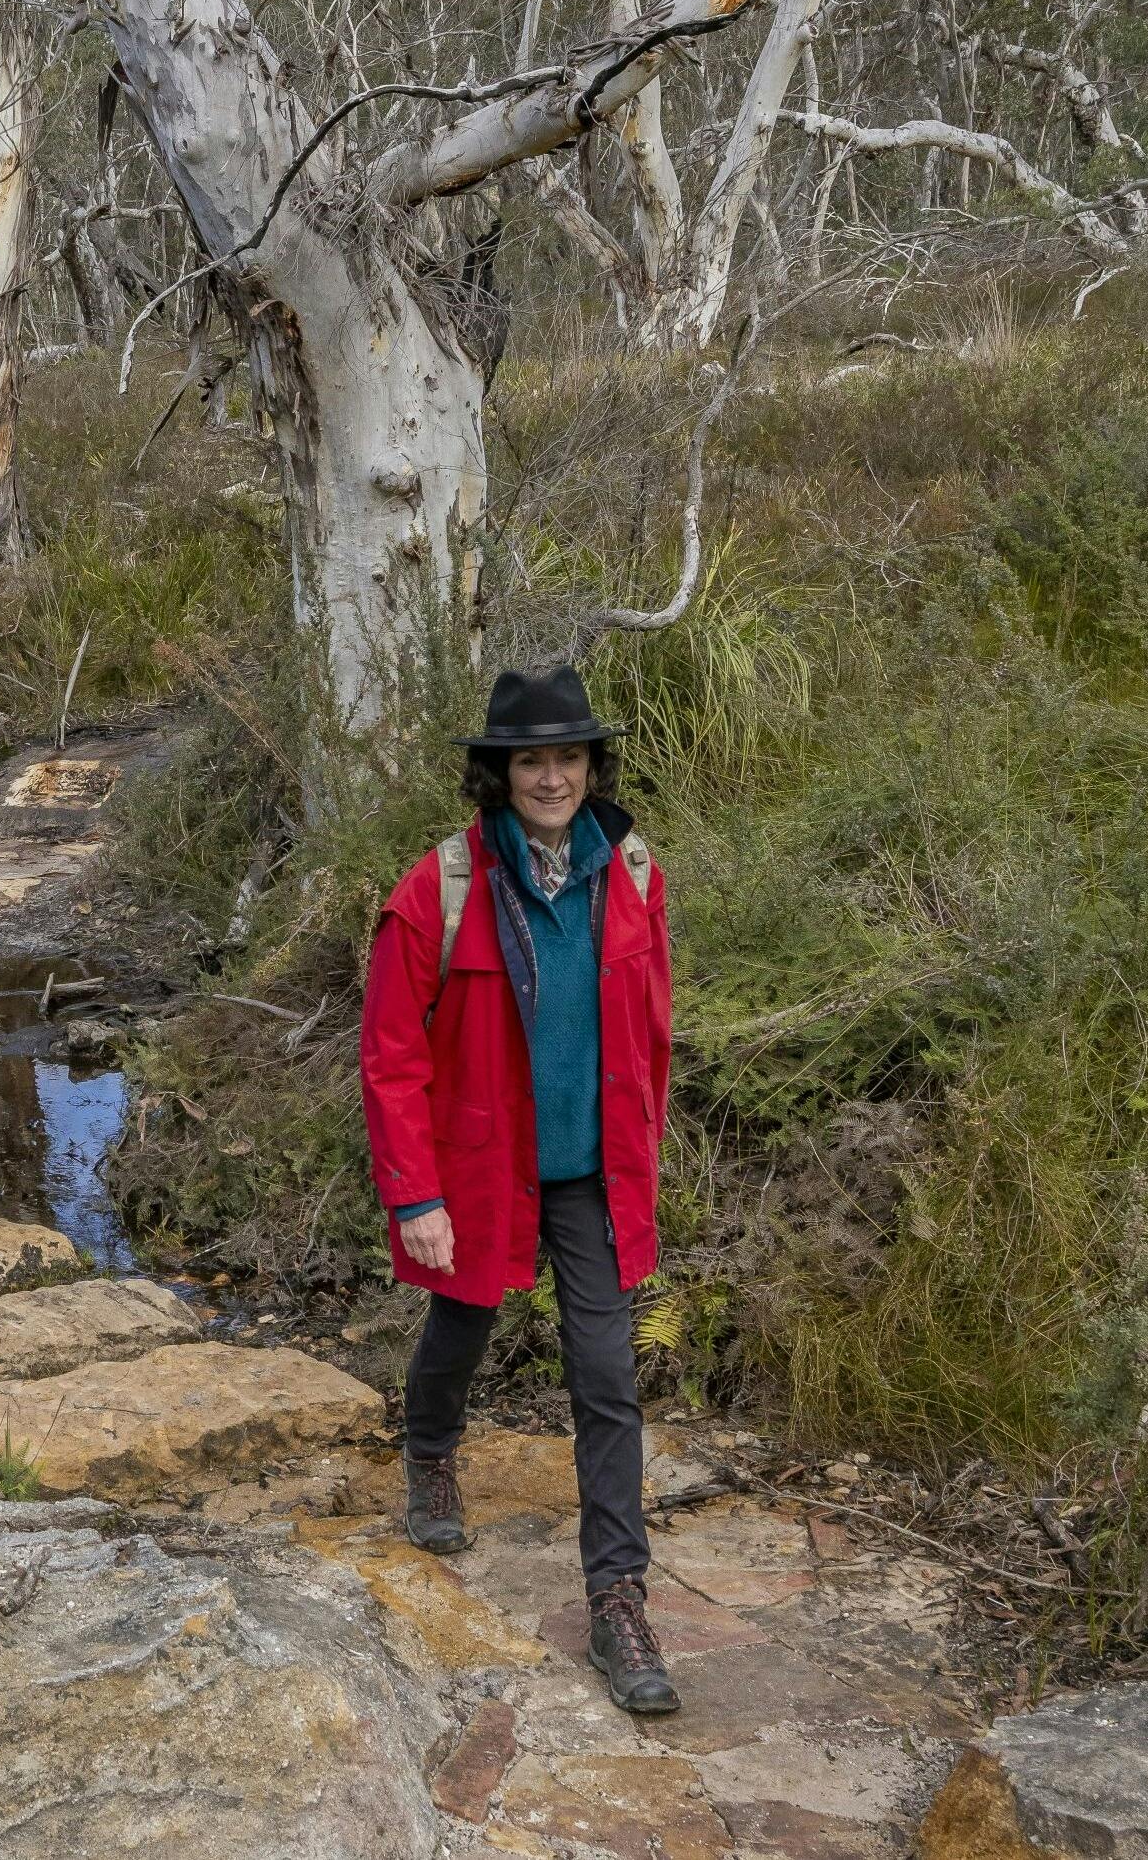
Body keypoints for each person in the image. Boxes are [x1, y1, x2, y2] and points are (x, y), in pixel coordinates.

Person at [358, 664, 681, 1715]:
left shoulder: (630, 868)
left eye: (568, 755)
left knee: (604, 1371)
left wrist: (643, 1158)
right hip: (481, 1163)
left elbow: (652, 1033)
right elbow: (391, 1053)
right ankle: (431, 1451)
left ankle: (617, 1597)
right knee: (463, 1320)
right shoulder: (438, 887)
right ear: (497, 772)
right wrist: (417, 1194)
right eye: (530, 758)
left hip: (589, 1168)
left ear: (592, 766)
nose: (551, 775)